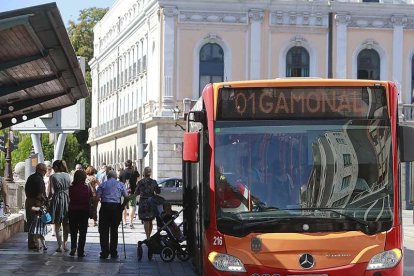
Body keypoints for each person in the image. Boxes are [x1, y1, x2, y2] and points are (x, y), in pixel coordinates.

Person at [96, 169, 128, 259]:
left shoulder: (103, 185)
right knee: (114, 230)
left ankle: (104, 252)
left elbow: (97, 197)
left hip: (105, 207)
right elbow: (126, 197)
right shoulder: (120, 184)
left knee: (103, 230)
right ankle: (113, 252)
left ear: (108, 176)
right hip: (116, 207)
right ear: (115, 177)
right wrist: (122, 206)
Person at [48, 160, 71, 252]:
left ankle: (59, 246)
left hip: (57, 200)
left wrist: (47, 201)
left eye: (53, 167)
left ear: (56, 167)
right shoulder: (69, 176)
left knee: (57, 224)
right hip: (67, 199)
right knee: (66, 224)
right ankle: (65, 245)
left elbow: (50, 192)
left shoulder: (52, 177)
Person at [68, 170, 91, 257]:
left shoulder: (71, 187)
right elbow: (90, 198)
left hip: (72, 210)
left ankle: (73, 247)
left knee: (73, 231)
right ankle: (81, 251)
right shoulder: (86, 187)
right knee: (83, 232)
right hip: (84, 211)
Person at [25, 163, 47, 250]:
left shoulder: (31, 177)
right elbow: (40, 194)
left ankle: (31, 242)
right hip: (36, 203)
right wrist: (45, 201)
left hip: (29, 201)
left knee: (30, 223)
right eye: (44, 170)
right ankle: (35, 243)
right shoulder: (39, 179)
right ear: (40, 170)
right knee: (37, 223)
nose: (45, 172)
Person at [134, 166, 158, 240]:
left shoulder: (140, 182)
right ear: (150, 173)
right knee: (150, 219)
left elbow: (136, 193)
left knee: (145, 220)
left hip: (143, 202)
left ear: (144, 173)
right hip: (151, 201)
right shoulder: (153, 182)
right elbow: (158, 191)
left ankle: (147, 236)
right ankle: (149, 236)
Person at [119, 160, 140, 229]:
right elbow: (138, 180)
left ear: (125, 165)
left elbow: (119, 182)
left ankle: (124, 222)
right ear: (131, 165)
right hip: (132, 191)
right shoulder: (135, 172)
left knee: (123, 207)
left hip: (124, 192)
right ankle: (131, 223)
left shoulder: (122, 172)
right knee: (132, 206)